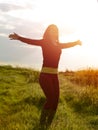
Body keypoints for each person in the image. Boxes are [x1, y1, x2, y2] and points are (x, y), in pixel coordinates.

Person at [9, 24, 82, 129]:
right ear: (48, 31)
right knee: (51, 99)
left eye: (56, 30)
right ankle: (41, 124)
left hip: (54, 76)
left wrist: (76, 42)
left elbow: (67, 45)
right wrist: (19, 37)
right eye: (52, 30)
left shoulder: (58, 44)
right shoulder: (44, 42)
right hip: (45, 76)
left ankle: (48, 125)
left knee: (56, 101)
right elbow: (31, 41)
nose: (54, 31)